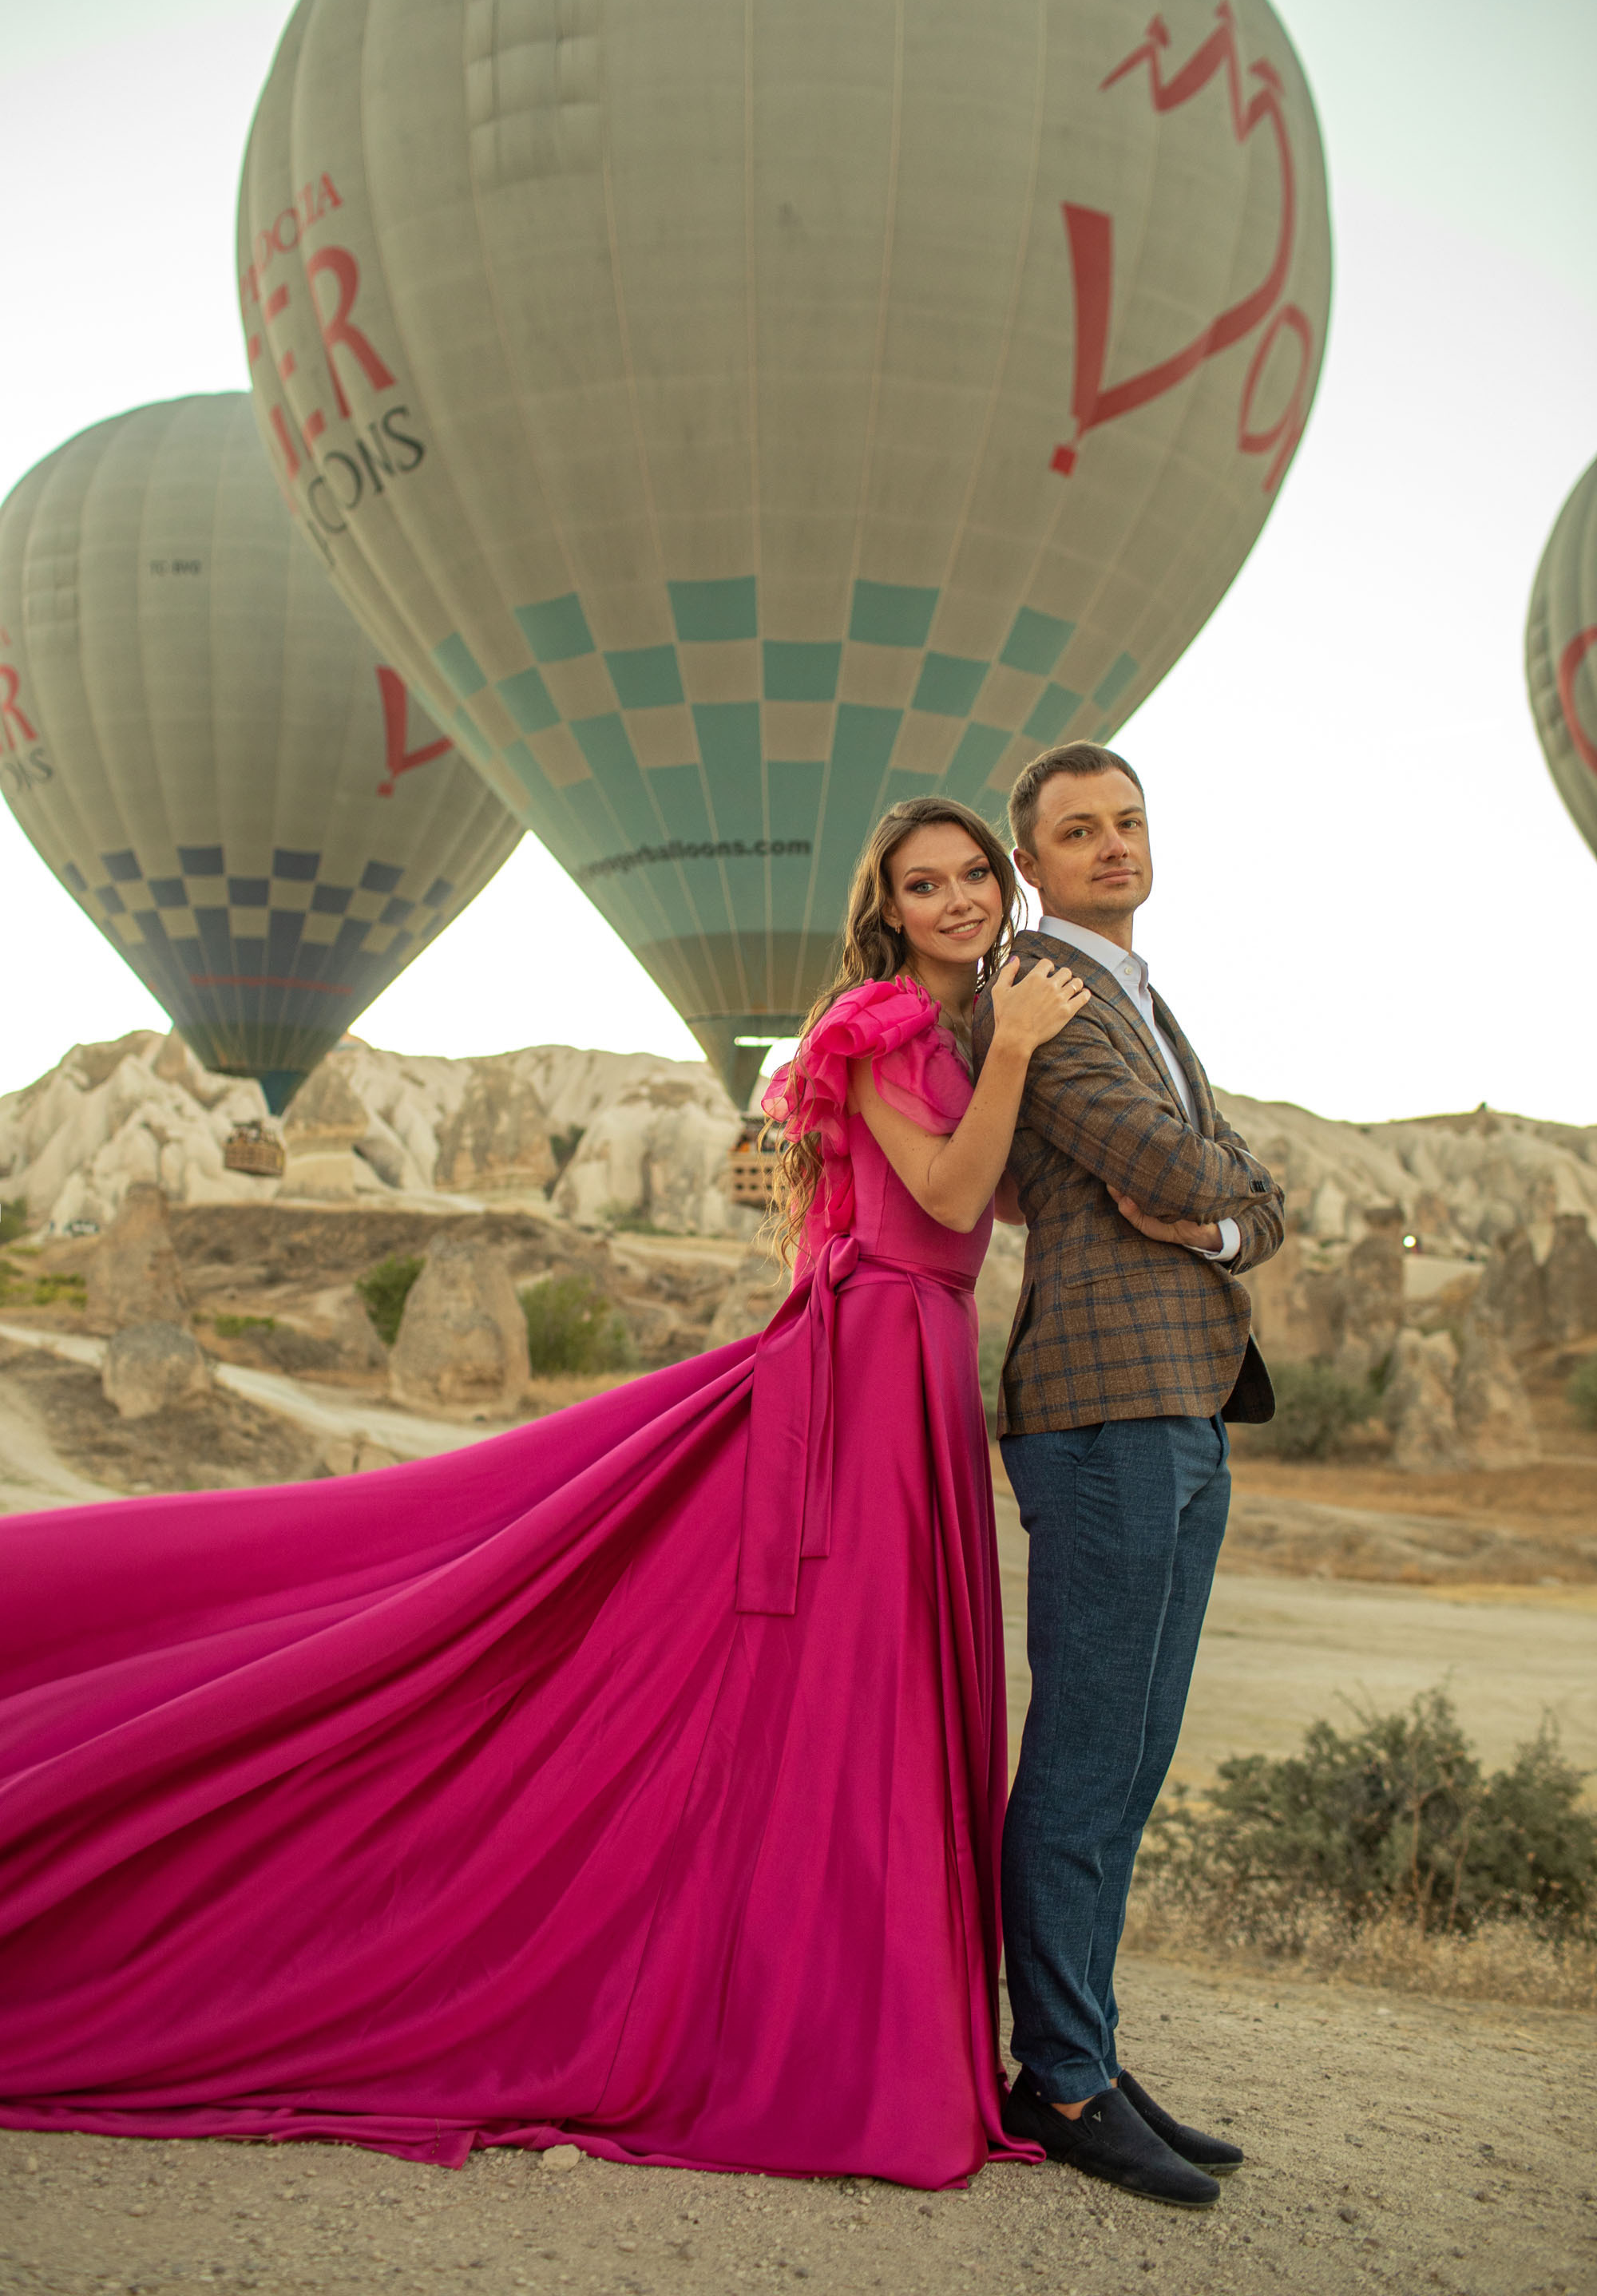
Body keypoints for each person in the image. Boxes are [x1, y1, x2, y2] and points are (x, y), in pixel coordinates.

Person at [0, 796, 1090, 2191]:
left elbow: (997, 1200)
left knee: (868, 1674)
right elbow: (941, 1194)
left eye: (973, 874)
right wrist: (1022, 1053)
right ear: (888, 909)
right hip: (872, 1358)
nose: (956, 899)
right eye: (923, 883)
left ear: (1003, 882)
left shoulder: (964, 1031)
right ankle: (824, 2034)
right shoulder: (873, 1025)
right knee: (844, 1666)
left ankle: (847, 2004)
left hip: (926, 1357)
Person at [972, 742, 1286, 2209]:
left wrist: (1227, 1221)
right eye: (1078, 830)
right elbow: (1167, 1165)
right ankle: (1059, 2079)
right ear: (1030, 865)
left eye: (1129, 821)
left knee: (1138, 1752)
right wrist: (1224, 1200)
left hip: (1189, 1398)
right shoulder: (1037, 989)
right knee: (1091, 1750)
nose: (1113, 845)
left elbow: (1244, 1196)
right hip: (1103, 1406)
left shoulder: (1141, 995)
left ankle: (1083, 2045)